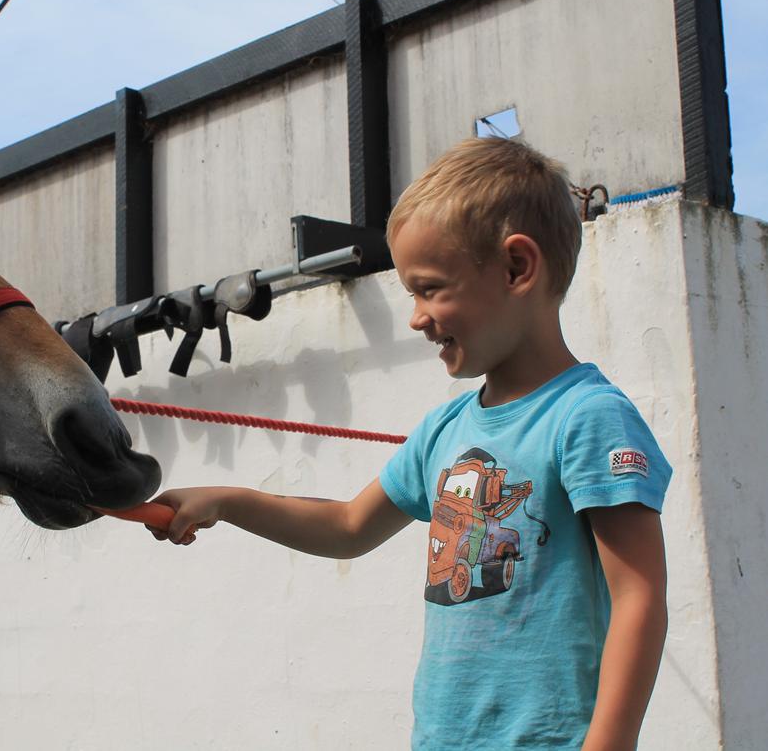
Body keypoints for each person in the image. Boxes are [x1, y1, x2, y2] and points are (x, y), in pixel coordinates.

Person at [149, 137, 670, 750]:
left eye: (430, 288)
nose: (416, 318)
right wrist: (228, 502)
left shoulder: (587, 418)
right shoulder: (445, 430)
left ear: (516, 269)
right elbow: (348, 525)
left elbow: (639, 594)